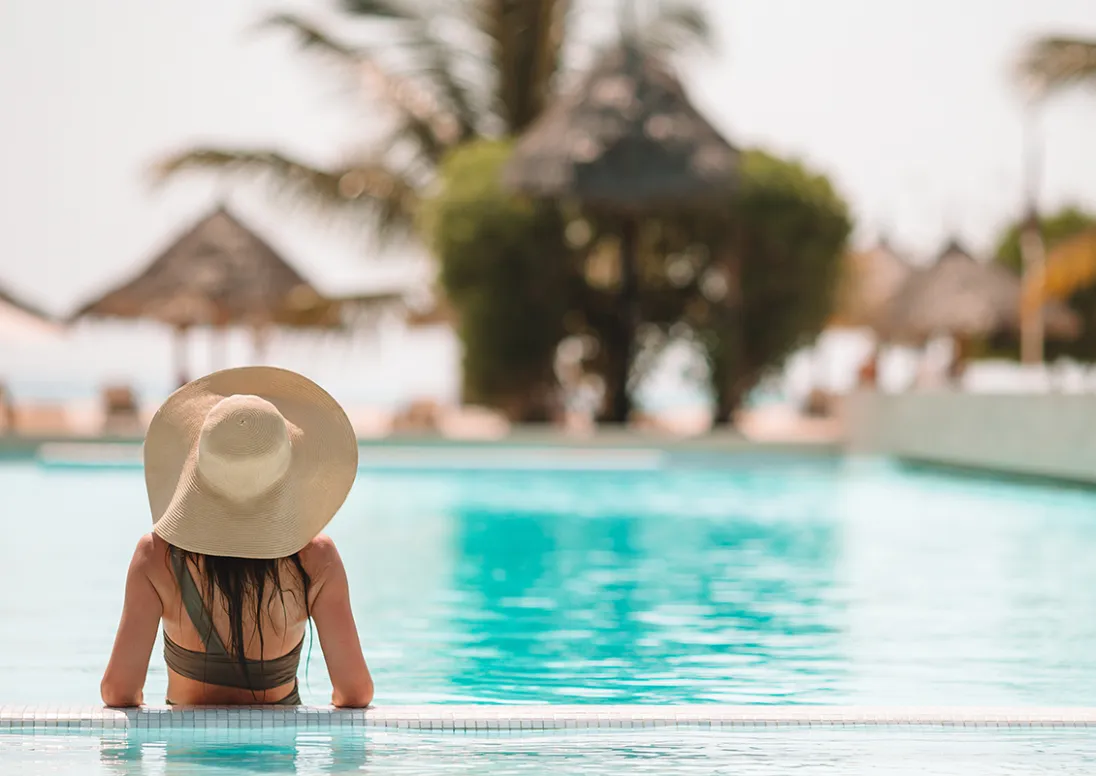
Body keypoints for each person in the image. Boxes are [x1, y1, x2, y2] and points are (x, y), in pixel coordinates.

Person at [100, 367, 373, 708]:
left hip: (187, 744)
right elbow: (355, 692)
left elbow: (118, 692)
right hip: (278, 743)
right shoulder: (316, 560)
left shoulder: (156, 557)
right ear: (287, 468)